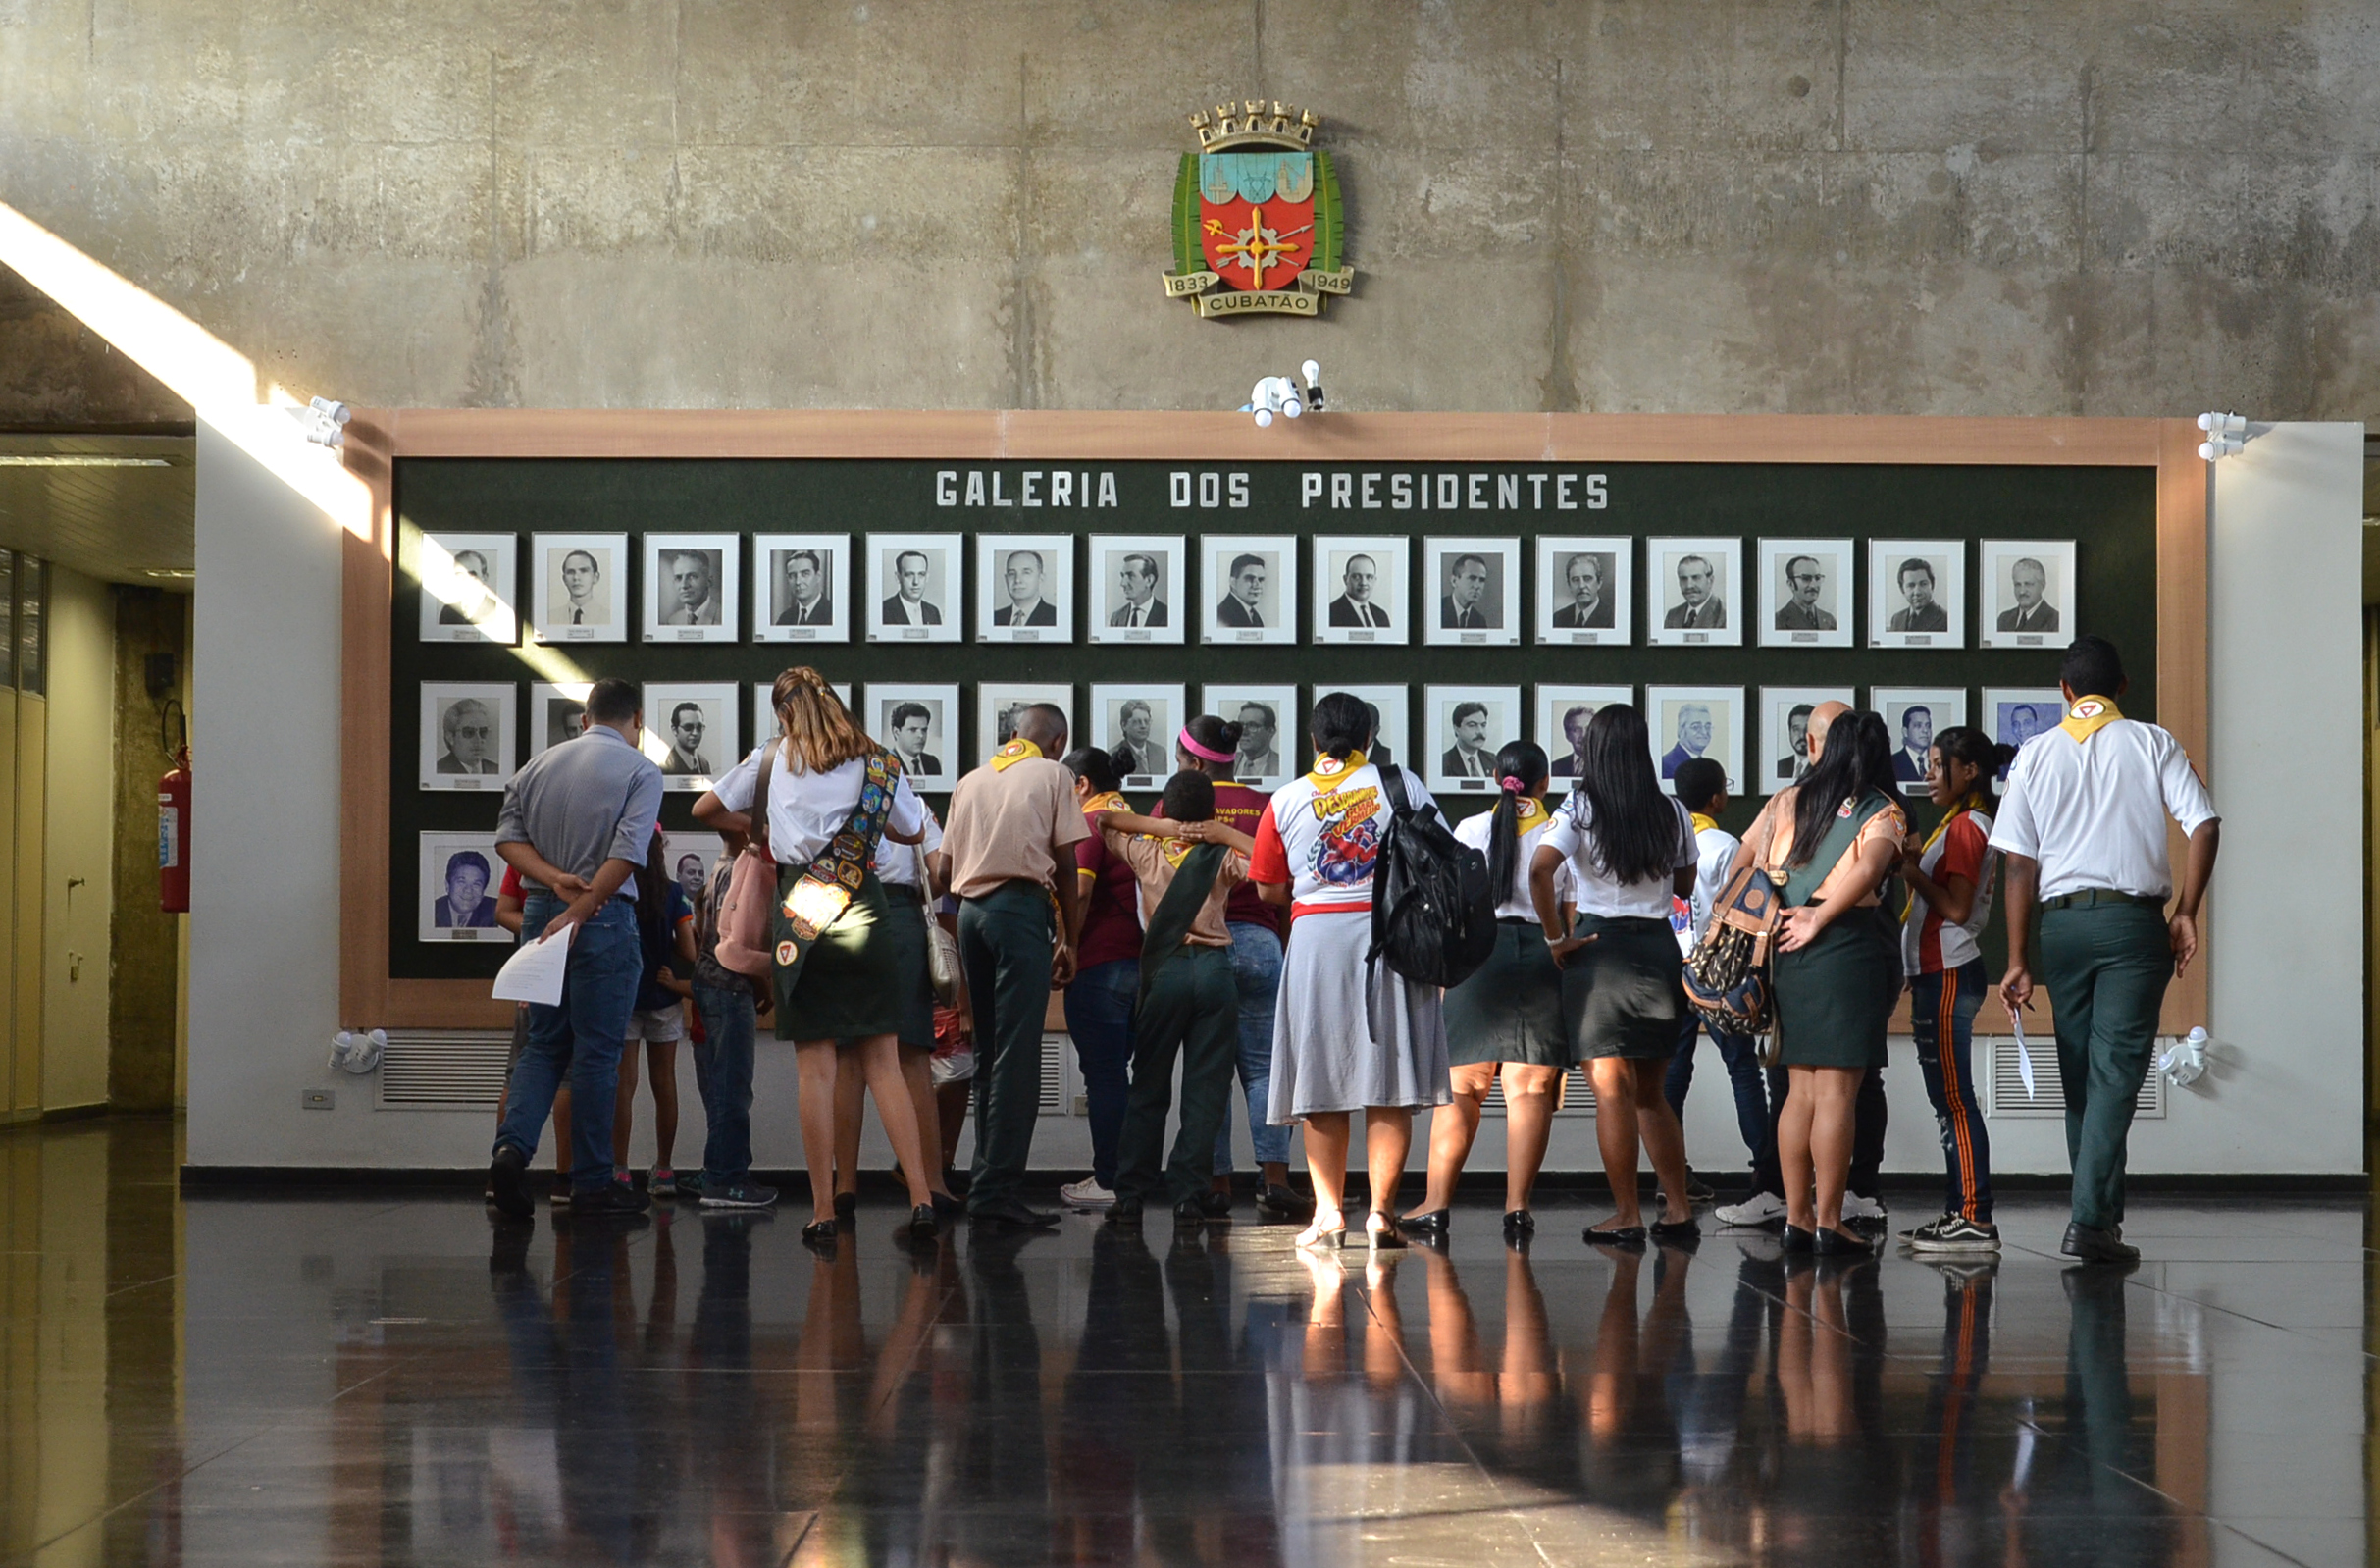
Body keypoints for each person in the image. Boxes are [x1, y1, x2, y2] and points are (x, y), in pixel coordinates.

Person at [692, 668, 941, 1246]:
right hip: (867, 909)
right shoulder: (877, 760)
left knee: (817, 1067)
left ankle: (824, 1209)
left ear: (783, 714)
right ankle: (923, 1199)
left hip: (803, 909)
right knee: (884, 1060)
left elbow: (706, 808)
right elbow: (909, 832)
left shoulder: (772, 757)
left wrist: (765, 834)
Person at [1992, 635, 2219, 1264]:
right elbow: (2204, 824)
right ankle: (2090, 1222)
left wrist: (2017, 958)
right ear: (2122, 688)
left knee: (2081, 1082)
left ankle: (2102, 1221)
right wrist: (2187, 911)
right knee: (2116, 1075)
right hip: (2131, 928)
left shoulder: (2034, 754)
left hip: (2059, 930)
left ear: (2064, 691)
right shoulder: (2152, 741)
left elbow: (2017, 865)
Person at [1249, 691, 1448, 1250]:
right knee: (1388, 1082)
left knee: (1320, 1081)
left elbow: (1268, 887)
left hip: (1315, 941)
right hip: (1392, 937)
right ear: (1369, 738)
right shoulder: (1400, 784)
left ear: (1313, 741)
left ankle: (1328, 1213)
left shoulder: (1286, 799)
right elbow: (1441, 854)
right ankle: (1381, 1214)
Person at [1733, 710, 1909, 1257]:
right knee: (1837, 1093)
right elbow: (1870, 868)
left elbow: (1741, 864)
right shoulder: (1884, 810)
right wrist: (1822, 915)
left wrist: (1791, 914)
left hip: (1786, 948)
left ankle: (1798, 1218)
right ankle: (1831, 1221)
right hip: (1845, 948)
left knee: (1800, 1092)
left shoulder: (1786, 801)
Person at [488, 676, 663, 1218]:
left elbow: (507, 842)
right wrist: (580, 908)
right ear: (636, 721)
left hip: (540, 910)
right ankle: (591, 1182)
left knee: (543, 1046)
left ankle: (510, 1152)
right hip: (601, 919)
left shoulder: (534, 768)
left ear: (585, 719)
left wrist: (556, 880)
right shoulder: (640, 770)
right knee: (597, 1053)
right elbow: (629, 854)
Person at [1527, 704, 1699, 1246]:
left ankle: (1626, 1213)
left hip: (1599, 955)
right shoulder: (1671, 810)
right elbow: (1686, 887)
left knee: (1610, 1094)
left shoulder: (1579, 806)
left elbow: (1539, 869)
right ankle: (1677, 1209)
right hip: (1657, 952)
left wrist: (1557, 937)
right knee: (1653, 1096)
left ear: (1593, 751)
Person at [1403, 741, 1573, 1244]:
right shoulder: (1560, 831)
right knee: (1529, 1090)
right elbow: (1569, 913)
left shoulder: (1470, 829)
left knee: (1462, 1091)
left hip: (1478, 958)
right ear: (1545, 784)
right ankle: (1518, 1209)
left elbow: (1450, 912)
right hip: (1544, 955)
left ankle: (1436, 1205)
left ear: (1496, 775)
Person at [942, 701, 1088, 1228]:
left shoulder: (971, 780)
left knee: (988, 1048)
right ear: (1057, 743)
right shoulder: (1054, 775)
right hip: (1019, 911)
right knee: (1019, 1055)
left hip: (970, 916)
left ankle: (985, 1180)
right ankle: (996, 1189)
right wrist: (1069, 938)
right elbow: (1068, 861)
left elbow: (943, 870)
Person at [1152, 713, 1302, 1220]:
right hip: (1262, 943)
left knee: (1207, 1072)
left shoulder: (1168, 807)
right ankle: (1275, 1180)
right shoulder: (1267, 805)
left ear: (1194, 762)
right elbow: (1282, 883)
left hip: (1200, 949)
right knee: (1263, 1070)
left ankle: (1214, 1185)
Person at [1099, 771, 1254, 1227]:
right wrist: (1220, 833)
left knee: (1148, 1084)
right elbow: (1266, 858)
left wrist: (1161, 829)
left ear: (1164, 810)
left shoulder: (1147, 850)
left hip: (1163, 969)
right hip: (1213, 973)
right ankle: (1188, 1192)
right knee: (1206, 1090)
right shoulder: (1222, 854)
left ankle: (1131, 1192)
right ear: (1212, 814)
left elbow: (1105, 822)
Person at [1895, 725, 2013, 1253]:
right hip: (1938, 971)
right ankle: (1959, 1211)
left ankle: (1974, 1216)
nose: (1929, 774)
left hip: (1947, 972)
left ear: (1970, 772)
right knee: (1948, 1100)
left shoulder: (1967, 826)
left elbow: (1957, 908)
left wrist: (1907, 869)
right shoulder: (1960, 822)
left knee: (1955, 1101)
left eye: (1939, 764)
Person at [831, 794, 964, 1221]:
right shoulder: (914, 806)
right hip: (904, 920)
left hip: (847, 917)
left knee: (849, 1059)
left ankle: (843, 1187)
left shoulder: (839, 801)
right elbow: (939, 876)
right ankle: (931, 1185)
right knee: (911, 1059)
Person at [1663, 758, 1768, 1209]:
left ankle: (1672, 1176)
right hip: (1720, 973)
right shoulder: (1725, 844)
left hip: (1672, 967)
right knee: (1742, 1069)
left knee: (1673, 1073)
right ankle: (1767, 1175)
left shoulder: (1663, 837)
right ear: (1715, 799)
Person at [1056, 747, 1140, 1210]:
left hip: (1100, 966)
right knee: (1127, 1077)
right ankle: (1129, 1178)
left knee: (1105, 1077)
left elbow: (1081, 889)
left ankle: (1109, 1181)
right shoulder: (1136, 820)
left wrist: (1065, 944)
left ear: (1082, 785)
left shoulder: (1092, 821)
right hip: (1143, 968)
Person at [683, 819, 777, 1208]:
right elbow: (740, 944)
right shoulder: (743, 870)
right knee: (731, 1088)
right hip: (729, 989)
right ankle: (727, 1179)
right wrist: (768, 981)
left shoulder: (720, 867)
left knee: (720, 1085)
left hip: (710, 986)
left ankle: (719, 1167)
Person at [609, 828, 695, 1197]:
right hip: (664, 996)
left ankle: (620, 1170)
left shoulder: (619, 891)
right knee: (665, 1085)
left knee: (623, 1087)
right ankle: (664, 1170)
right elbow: (690, 953)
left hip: (625, 995)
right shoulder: (674, 893)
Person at [434, 850, 497, 927]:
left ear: (483, 890)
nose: (468, 890)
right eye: (461, 882)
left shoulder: (497, 911)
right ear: (447, 885)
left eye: (476, 884)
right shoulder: (431, 912)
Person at [436, 698, 499, 775]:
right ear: (450, 737)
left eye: (483, 732)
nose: (478, 739)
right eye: (469, 732)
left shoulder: (496, 770)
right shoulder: (439, 771)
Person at [881, 549, 943, 626]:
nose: (916, 582)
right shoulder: (883, 611)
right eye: (909, 574)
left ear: (927, 577)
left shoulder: (933, 612)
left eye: (921, 574)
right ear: (898, 577)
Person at [1326, 554, 1390, 628]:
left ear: (1375, 580)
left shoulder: (1382, 615)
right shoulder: (1331, 613)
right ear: (1345, 579)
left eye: (1369, 577)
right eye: (1356, 577)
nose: (1363, 583)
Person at [1774, 554, 1836, 631]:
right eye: (1806, 578)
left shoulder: (1829, 620)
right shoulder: (1777, 621)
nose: (1814, 585)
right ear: (1791, 584)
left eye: (1817, 578)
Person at [998, 549, 1058, 626]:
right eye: (1012, 573)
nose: (1017, 580)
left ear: (1040, 578)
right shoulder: (996, 617)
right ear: (1006, 579)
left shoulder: (1055, 617)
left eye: (1026, 573)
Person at [1998, 557, 2059, 633]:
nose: (2022, 591)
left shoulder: (2055, 621)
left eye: (2028, 584)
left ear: (2043, 585)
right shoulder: (2003, 619)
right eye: (2017, 584)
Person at [660, 550, 721, 626]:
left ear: (709, 581)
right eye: (678, 578)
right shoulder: (673, 620)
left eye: (692, 576)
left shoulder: (723, 617)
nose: (684, 585)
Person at [1553, 552, 1612, 629]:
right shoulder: (1557, 618)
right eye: (1575, 580)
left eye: (1587, 579)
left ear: (1599, 583)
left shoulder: (1612, 619)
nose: (1581, 586)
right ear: (1569, 585)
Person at [439, 549, 497, 625]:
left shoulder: (497, 610)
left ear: (484, 577)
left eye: (472, 574)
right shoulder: (447, 611)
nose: (465, 580)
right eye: (459, 575)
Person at [1664, 554, 1724, 629]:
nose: (1689, 585)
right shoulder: (1672, 615)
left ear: (1710, 581)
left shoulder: (1724, 615)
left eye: (1696, 578)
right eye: (1684, 579)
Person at [773, 549, 832, 626]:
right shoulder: (785, 618)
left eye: (805, 574)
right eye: (793, 575)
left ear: (818, 576)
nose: (798, 582)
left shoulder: (832, 614)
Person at [1109, 552, 1167, 628]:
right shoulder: (1116, 618)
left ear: (1149, 580)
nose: (1123, 583)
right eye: (1123, 576)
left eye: (1131, 576)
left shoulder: (1168, 616)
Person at [1888, 558, 1947, 633]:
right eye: (1911, 585)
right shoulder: (1897, 619)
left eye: (1923, 584)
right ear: (1902, 589)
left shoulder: (1946, 620)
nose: (1917, 592)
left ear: (1932, 586)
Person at [886, 701, 943, 778]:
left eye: (924, 730)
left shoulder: (933, 762)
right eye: (913, 730)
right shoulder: (886, 763)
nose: (921, 736)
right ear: (896, 732)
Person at [1440, 700, 1492, 778]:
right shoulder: (1444, 763)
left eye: (1483, 725)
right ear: (1457, 729)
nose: (1480, 731)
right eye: (1472, 725)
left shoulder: (1493, 760)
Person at [1660, 704, 1713, 779]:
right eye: (1696, 727)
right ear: (1681, 730)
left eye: (1708, 727)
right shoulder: (1666, 766)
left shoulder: (1707, 766)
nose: (1704, 732)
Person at [1439, 552, 1491, 629]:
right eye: (1472, 578)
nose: (1477, 586)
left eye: (1482, 580)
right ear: (1454, 581)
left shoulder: (1480, 621)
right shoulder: (1438, 610)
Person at [1108, 700, 1159, 777]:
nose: (1143, 726)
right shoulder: (1113, 754)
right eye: (1137, 722)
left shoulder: (1160, 753)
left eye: (1146, 721)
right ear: (1124, 725)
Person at [1216, 552, 1268, 628]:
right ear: (1233, 582)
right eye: (1250, 578)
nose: (1257, 585)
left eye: (1260, 579)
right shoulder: (1222, 616)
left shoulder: (1255, 616)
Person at [1233, 702, 1281, 780]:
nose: (1244, 732)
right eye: (1240, 725)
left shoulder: (1280, 765)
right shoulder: (1227, 763)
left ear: (1270, 731)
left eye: (1252, 726)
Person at [663, 701, 712, 776]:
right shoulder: (666, 765)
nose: (695, 733)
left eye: (699, 727)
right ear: (675, 730)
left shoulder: (704, 763)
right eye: (688, 727)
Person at [557, 549, 605, 625]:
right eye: (570, 572)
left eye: (583, 571)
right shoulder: (551, 617)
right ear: (564, 579)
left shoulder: (608, 618)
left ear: (595, 577)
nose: (576, 577)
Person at [1776, 703, 1815, 781]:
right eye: (1796, 729)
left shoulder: (1826, 768)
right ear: (1789, 732)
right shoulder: (1779, 766)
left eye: (1807, 729)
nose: (1802, 736)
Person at [1893, 705, 1933, 782]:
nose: (1925, 730)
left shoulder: (1941, 763)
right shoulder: (1893, 764)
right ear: (1905, 732)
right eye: (1918, 726)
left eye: (1928, 726)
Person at [1551, 705, 1591, 778]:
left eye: (1588, 729)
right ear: (1567, 735)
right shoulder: (1555, 767)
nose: (1583, 735)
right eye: (1577, 729)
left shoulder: (1605, 766)